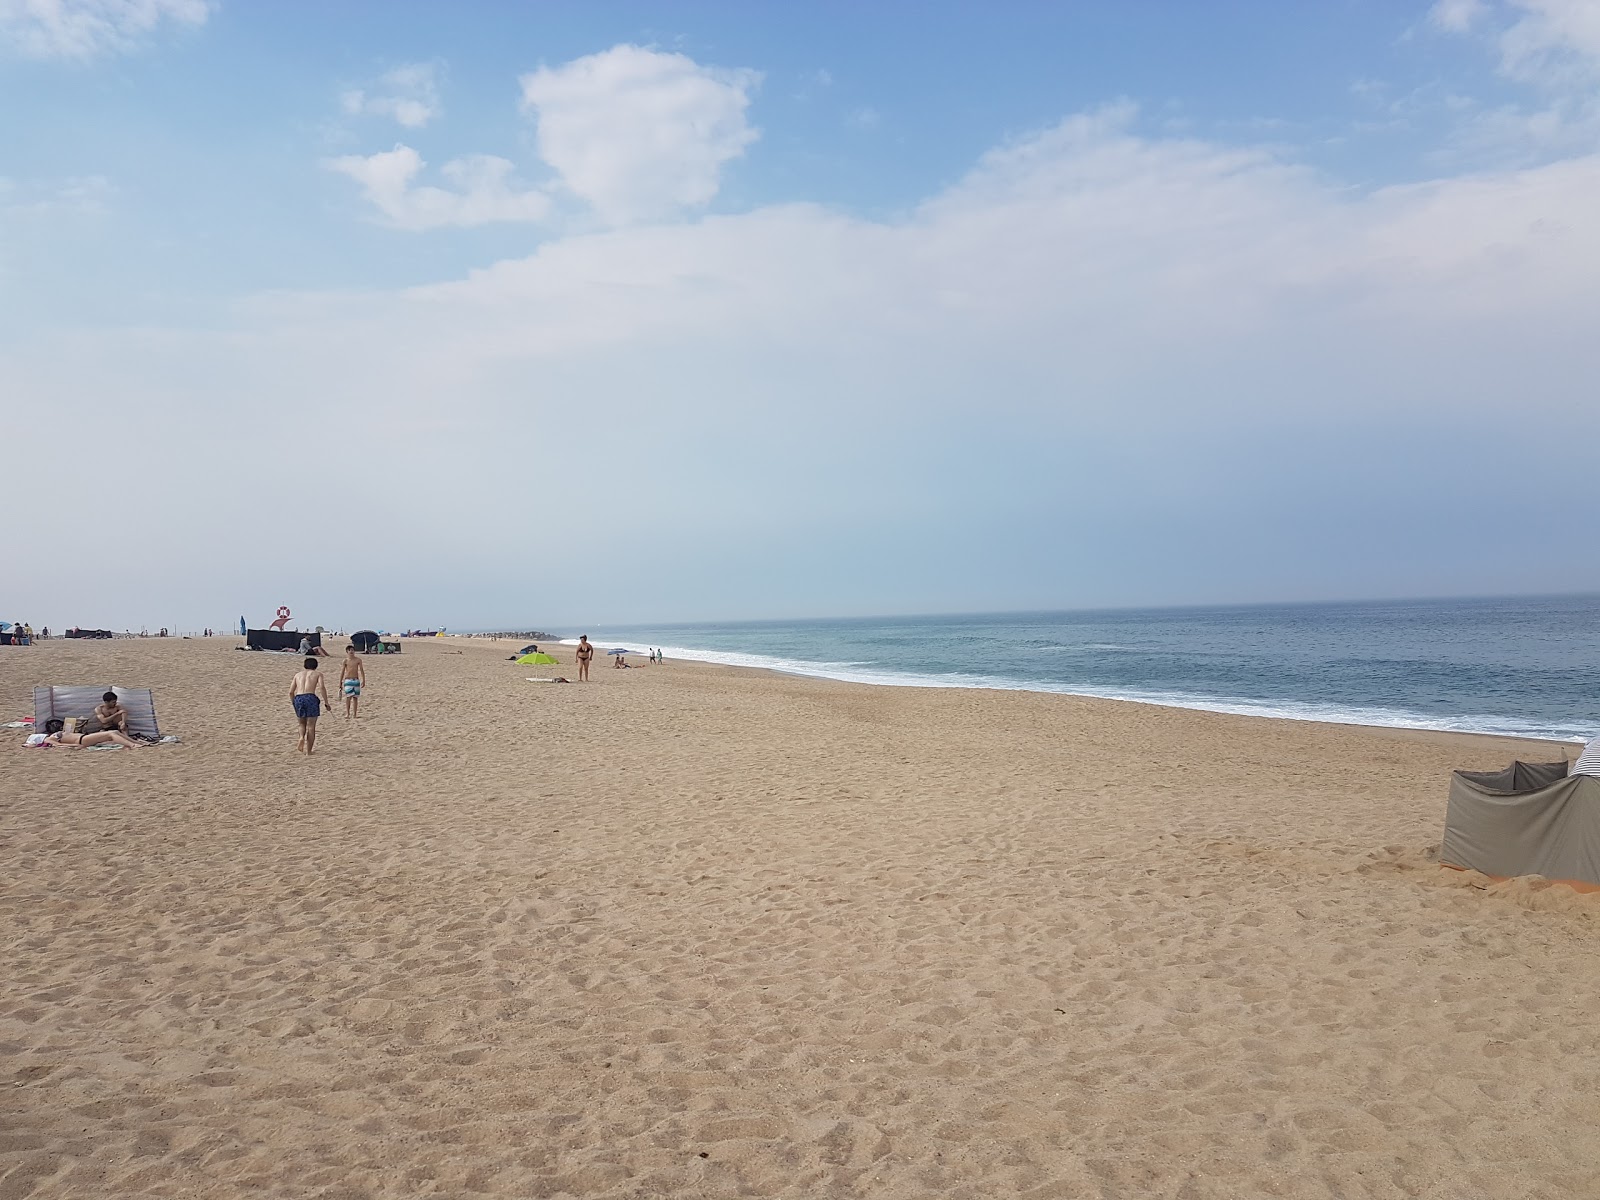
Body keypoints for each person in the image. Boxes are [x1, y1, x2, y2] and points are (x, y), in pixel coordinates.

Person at [290, 656, 332, 754]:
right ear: (316, 666)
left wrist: (294, 703)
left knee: (301, 723)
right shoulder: (317, 674)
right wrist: (326, 702)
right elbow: (322, 687)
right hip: (310, 697)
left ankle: (301, 737)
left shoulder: (298, 675)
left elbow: (291, 692)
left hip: (299, 697)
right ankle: (309, 751)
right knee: (311, 726)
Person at [38, 718, 145, 749]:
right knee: (111, 734)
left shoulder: (55, 735)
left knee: (115, 732)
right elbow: (59, 745)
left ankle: (136, 742)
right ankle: (133, 745)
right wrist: (76, 745)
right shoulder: (48, 739)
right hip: (82, 740)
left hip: (84, 738)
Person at [340, 644, 367, 719]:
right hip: (348, 680)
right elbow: (342, 671)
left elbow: (361, 670)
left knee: (355, 698)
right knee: (348, 697)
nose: (351, 651)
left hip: (356, 680)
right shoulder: (345, 661)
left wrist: (363, 680)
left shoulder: (358, 660)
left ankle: (355, 714)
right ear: (347, 652)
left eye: (352, 650)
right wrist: (340, 682)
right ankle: (348, 713)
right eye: (349, 650)